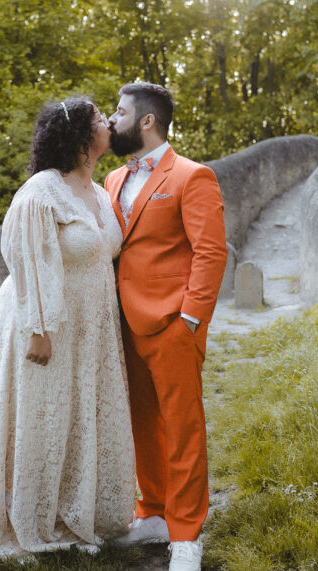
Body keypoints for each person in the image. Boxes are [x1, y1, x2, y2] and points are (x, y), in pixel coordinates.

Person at [0, 97, 135, 558]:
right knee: (42, 416)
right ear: (82, 137)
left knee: (76, 416)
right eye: (101, 119)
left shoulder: (100, 192)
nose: (108, 124)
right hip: (44, 323)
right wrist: (40, 327)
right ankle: (25, 514)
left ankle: (73, 508)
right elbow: (25, 257)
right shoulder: (42, 190)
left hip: (89, 327)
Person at [104, 82, 227, 571]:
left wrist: (191, 319)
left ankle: (186, 535)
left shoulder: (193, 176)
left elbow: (210, 252)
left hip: (173, 322)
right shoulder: (113, 179)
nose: (112, 120)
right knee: (141, 426)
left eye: (119, 111)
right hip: (122, 322)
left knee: (182, 430)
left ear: (147, 121)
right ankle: (152, 510)